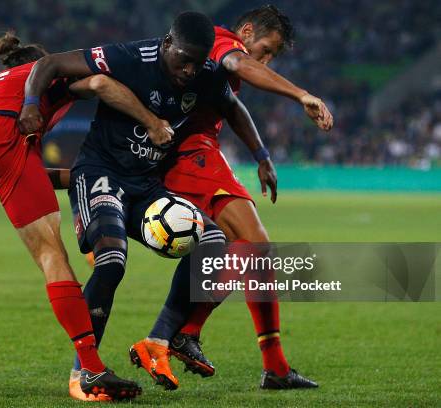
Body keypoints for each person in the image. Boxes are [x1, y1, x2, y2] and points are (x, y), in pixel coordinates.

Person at [0, 31, 174, 399]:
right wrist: (151, 121)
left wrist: (88, 174)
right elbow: (101, 82)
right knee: (50, 253)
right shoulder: (46, 78)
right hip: (0, 133)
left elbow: (15, 168)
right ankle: (90, 366)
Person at [19, 11, 279, 401]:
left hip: (145, 185)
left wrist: (261, 155)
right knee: (111, 263)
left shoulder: (205, 74)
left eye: (197, 62)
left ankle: (162, 339)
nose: (190, 70)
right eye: (184, 60)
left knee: (213, 243)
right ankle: (84, 373)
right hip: (100, 173)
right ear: (167, 44)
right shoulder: (129, 57)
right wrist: (30, 103)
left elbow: (233, 108)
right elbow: (50, 63)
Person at [136, 5, 332, 390]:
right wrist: (301, 94)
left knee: (239, 249)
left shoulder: (213, 57)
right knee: (257, 246)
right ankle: (193, 336)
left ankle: (202, 339)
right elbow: (239, 66)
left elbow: (233, 106)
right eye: (266, 49)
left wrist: (262, 156)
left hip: (193, 154)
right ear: (245, 31)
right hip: (192, 155)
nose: (266, 59)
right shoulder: (221, 42)